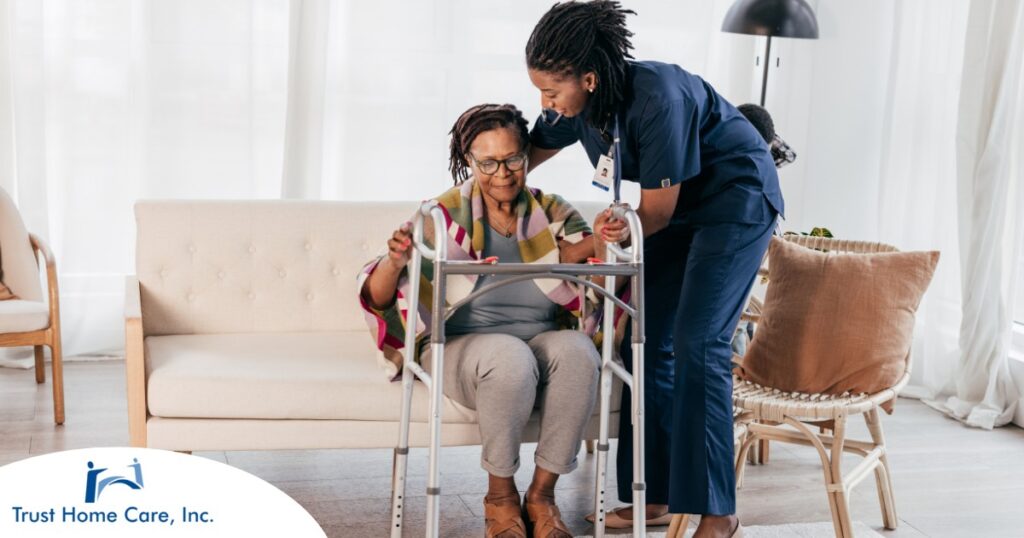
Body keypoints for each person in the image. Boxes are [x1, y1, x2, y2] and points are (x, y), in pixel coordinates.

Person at [523, 2, 784, 536]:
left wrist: (600, 237)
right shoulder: (576, 106)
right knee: (642, 337)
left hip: (735, 199)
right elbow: (519, 156)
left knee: (698, 340)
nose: (545, 104)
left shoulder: (657, 98)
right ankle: (659, 493)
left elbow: (656, 213)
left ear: (589, 78)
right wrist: (476, 186)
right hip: (676, 211)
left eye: (551, 92)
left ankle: (718, 511)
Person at [358, 104, 605, 538]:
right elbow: (378, 297)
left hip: (541, 339)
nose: (503, 173)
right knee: (508, 356)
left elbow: (590, 276)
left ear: (527, 155)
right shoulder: (440, 217)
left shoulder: (552, 210)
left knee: (580, 352)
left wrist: (601, 241)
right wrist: (396, 261)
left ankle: (542, 497)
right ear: (468, 160)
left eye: (512, 159)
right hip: (461, 346)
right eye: (487, 162)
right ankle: (501, 498)